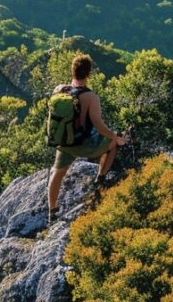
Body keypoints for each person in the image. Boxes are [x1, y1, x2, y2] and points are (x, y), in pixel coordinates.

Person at [47, 55, 127, 222]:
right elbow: (99, 126)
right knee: (114, 143)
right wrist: (116, 137)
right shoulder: (91, 97)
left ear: (72, 70)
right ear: (88, 74)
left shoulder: (59, 90)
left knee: (58, 172)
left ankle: (52, 211)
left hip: (64, 142)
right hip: (83, 144)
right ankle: (101, 178)